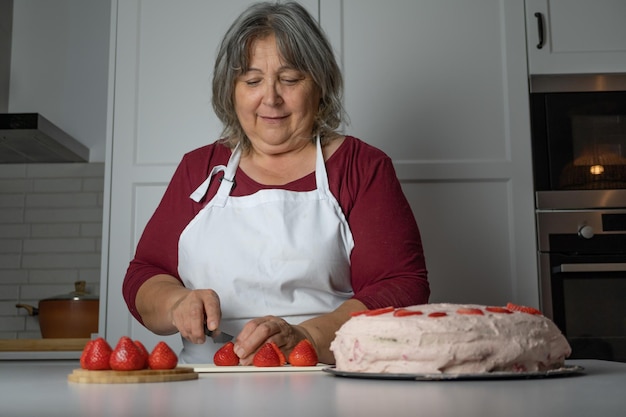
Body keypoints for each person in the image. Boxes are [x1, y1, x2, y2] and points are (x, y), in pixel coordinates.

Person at [123, 1, 429, 365]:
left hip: (322, 376)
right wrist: (176, 303)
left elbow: (402, 285)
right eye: (252, 81)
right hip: (206, 383)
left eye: (290, 79)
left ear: (320, 85)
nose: (271, 98)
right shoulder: (199, 169)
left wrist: (307, 337)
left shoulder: (361, 167)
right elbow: (145, 274)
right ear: (231, 90)